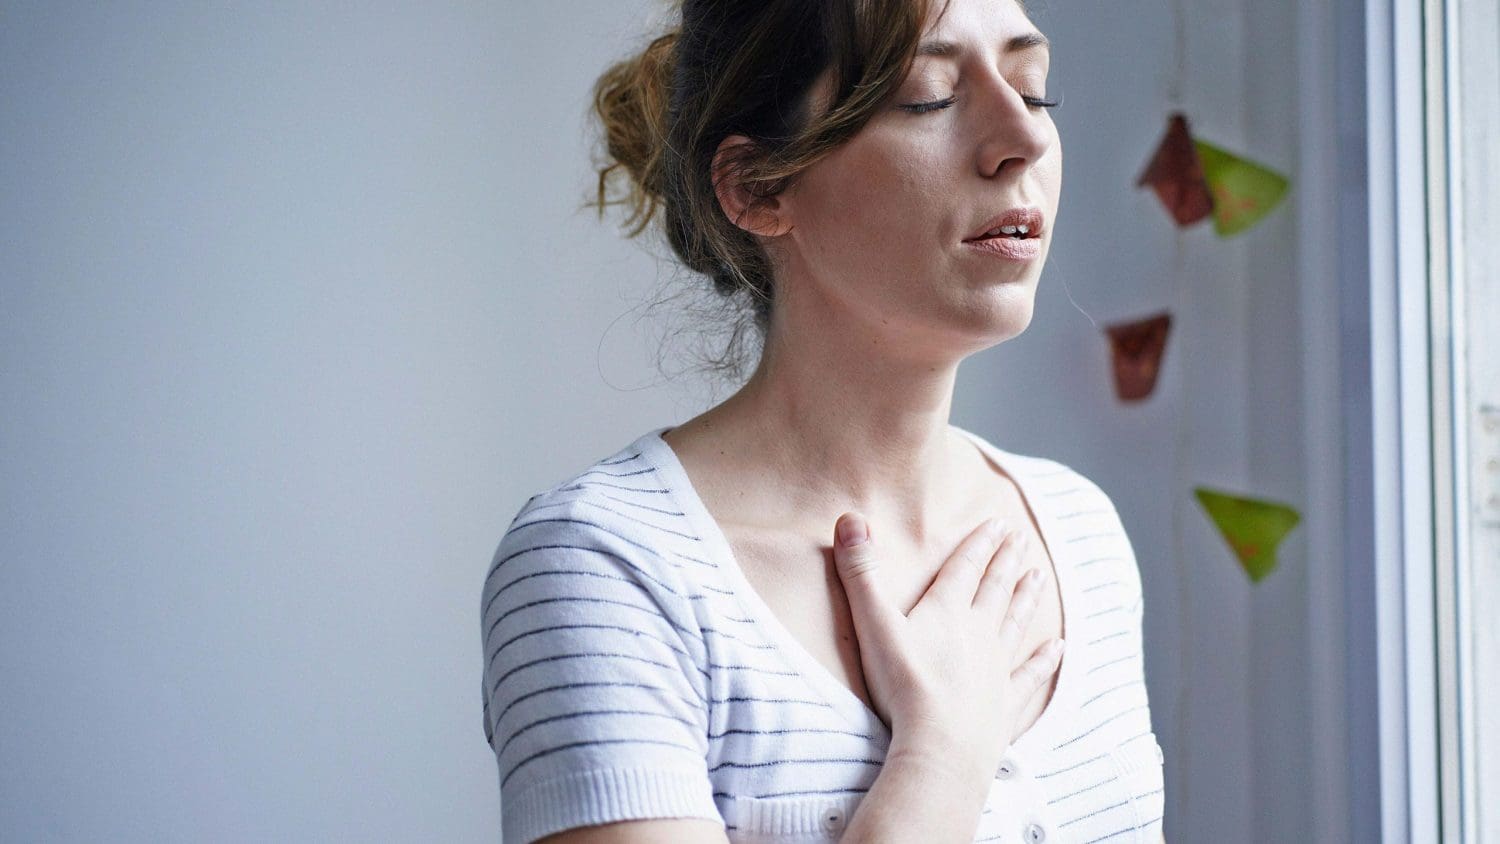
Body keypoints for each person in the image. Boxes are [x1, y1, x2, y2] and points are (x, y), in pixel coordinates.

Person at [480, 0, 1166, 840]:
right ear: (760, 187)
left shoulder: (1077, 534)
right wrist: (945, 758)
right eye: (929, 97)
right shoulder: (608, 568)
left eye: (1033, 88)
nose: (1021, 139)